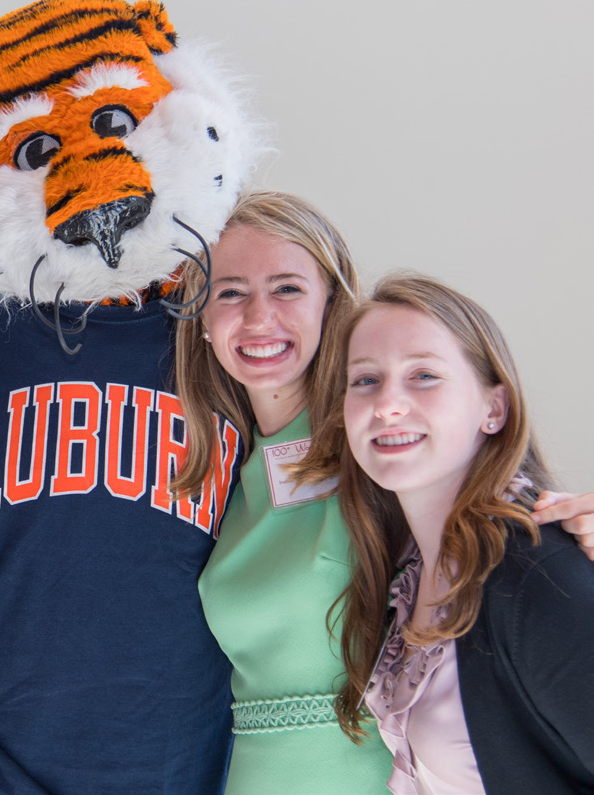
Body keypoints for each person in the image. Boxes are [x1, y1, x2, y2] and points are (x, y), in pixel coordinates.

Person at [180, 192, 594, 794]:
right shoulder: (217, 476)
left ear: (333, 304)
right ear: (200, 320)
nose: (258, 316)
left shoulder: (387, 462)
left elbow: (504, 533)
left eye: (288, 288)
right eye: (230, 292)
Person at [327, 274, 594, 794]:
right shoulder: (407, 578)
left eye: (423, 375)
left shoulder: (539, 576)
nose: (387, 405)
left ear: (493, 409)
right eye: (365, 380)